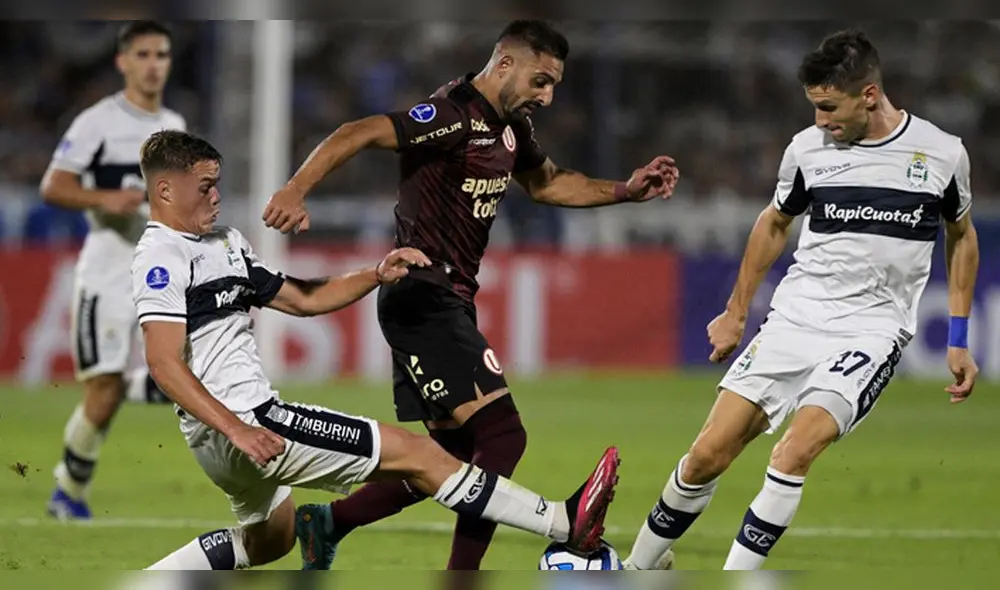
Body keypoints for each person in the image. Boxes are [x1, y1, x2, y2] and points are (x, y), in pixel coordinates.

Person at [261, 19, 678, 571]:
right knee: (503, 436)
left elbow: (548, 183)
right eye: (540, 81)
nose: (547, 97)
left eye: (554, 85)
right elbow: (355, 132)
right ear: (504, 64)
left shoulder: (509, 128)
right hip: (420, 295)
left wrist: (626, 190)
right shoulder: (451, 115)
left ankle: (330, 523)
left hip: (449, 299)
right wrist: (295, 189)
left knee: (454, 456)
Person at [134, 129, 621, 570]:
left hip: (220, 440)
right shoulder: (162, 256)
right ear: (165, 191)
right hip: (244, 422)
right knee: (422, 456)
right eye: (204, 187)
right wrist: (239, 427)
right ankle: (563, 523)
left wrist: (374, 274)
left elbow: (302, 299)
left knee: (272, 540)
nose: (216, 196)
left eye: (217, 184)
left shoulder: (225, 244)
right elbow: (162, 362)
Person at [622, 28, 980, 571]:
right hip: (795, 319)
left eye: (829, 107)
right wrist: (736, 310)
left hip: (872, 330)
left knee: (794, 451)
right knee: (705, 457)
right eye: (814, 107)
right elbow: (774, 223)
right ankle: (639, 569)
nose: (820, 121)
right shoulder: (808, 150)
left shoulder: (941, 154)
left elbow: (961, 236)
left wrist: (958, 336)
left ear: (869, 95)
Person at [41, 20, 187, 520]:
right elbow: (54, 185)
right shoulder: (97, 122)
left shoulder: (174, 124)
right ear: (123, 61)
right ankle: (68, 491)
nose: (153, 64)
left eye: (161, 54)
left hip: (160, 269)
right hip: (106, 267)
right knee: (103, 390)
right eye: (143, 54)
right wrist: (107, 198)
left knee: (186, 373)